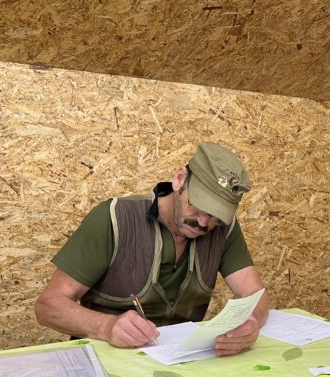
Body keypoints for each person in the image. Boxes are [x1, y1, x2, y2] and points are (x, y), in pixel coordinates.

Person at [35, 142, 269, 355]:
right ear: (179, 179)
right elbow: (48, 306)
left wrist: (250, 323)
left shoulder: (223, 229)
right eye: (198, 207)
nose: (204, 223)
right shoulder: (115, 218)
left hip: (178, 363)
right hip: (106, 361)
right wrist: (105, 326)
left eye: (216, 215)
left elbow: (254, 293)